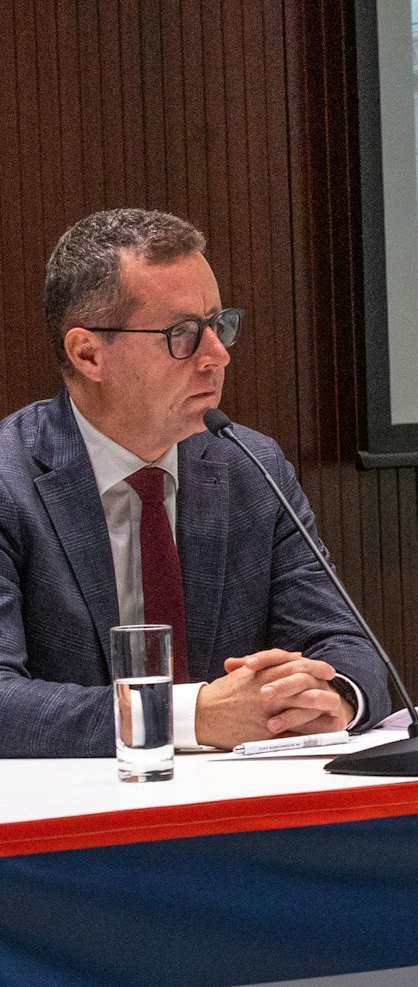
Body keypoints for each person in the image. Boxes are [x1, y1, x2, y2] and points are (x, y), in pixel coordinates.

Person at [0, 210, 389, 758]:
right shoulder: (9, 479)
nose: (218, 355)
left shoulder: (249, 465)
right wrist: (191, 715)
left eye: (218, 323)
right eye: (182, 334)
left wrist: (332, 696)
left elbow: (347, 646)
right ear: (88, 353)